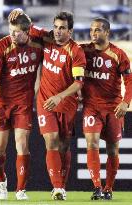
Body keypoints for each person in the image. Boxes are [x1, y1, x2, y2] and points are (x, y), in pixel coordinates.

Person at [9, 10, 86, 200]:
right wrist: (20, 13)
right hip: (45, 102)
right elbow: (25, 25)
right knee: (51, 140)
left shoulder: (76, 51)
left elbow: (78, 83)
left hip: (66, 104)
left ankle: (62, 185)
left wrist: (60, 97)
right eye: (56, 27)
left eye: (62, 28)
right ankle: (58, 188)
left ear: (71, 31)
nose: (58, 31)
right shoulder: (46, 37)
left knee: (64, 147)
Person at [0, 13, 43, 200]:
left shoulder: (38, 44)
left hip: (23, 103)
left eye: (16, 32)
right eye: (10, 31)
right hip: (1, 102)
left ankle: (20, 189)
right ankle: (1, 181)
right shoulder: (1, 46)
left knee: (22, 144)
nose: (12, 35)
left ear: (27, 32)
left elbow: (55, 38)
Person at [80, 17, 132, 200]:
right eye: (92, 29)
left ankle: (109, 188)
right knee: (91, 143)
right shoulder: (83, 51)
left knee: (112, 150)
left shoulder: (119, 55)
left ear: (107, 32)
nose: (93, 33)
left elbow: (130, 81)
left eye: (98, 30)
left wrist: (126, 102)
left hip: (113, 109)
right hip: (91, 107)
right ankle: (97, 187)